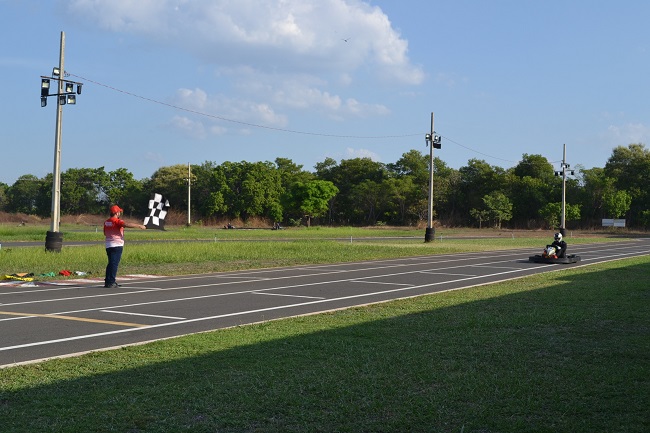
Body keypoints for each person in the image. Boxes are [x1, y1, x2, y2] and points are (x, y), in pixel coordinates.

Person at [103, 205, 146, 288]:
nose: (120, 213)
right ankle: (111, 281)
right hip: (117, 245)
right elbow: (126, 224)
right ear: (116, 213)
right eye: (119, 212)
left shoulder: (106, 222)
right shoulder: (117, 221)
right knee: (114, 264)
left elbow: (105, 233)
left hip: (108, 245)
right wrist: (139, 226)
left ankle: (108, 281)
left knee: (110, 263)